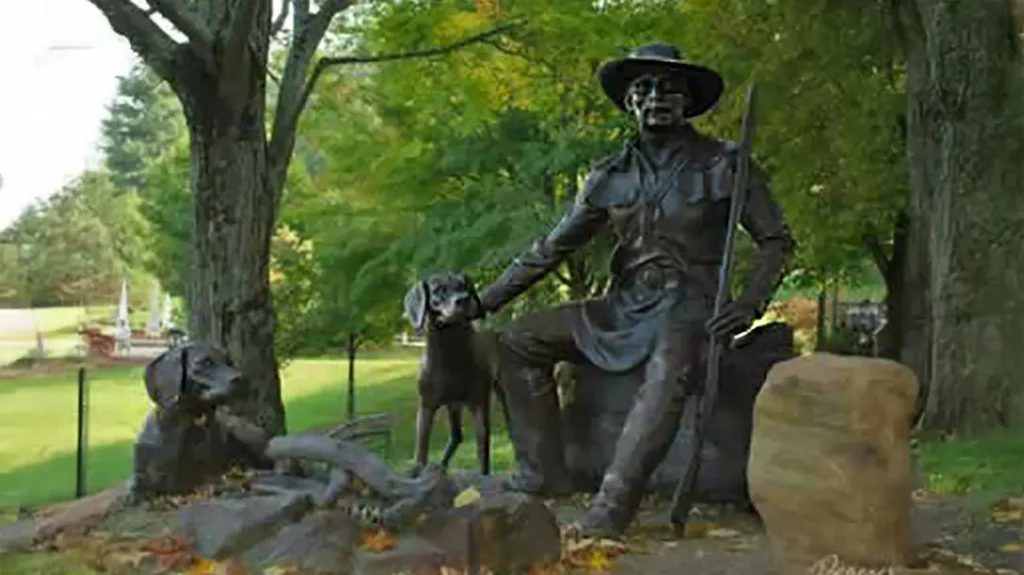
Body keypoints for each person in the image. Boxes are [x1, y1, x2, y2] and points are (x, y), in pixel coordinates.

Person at [440, 42, 795, 538]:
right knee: (518, 341)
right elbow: (550, 249)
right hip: (625, 304)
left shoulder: (724, 164)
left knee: (667, 370)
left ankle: (610, 511)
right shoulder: (611, 175)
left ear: (689, 101)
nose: (656, 97)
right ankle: (544, 473)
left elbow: (777, 243)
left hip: (690, 304)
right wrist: (483, 303)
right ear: (629, 102)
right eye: (643, 88)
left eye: (670, 88)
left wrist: (747, 305)